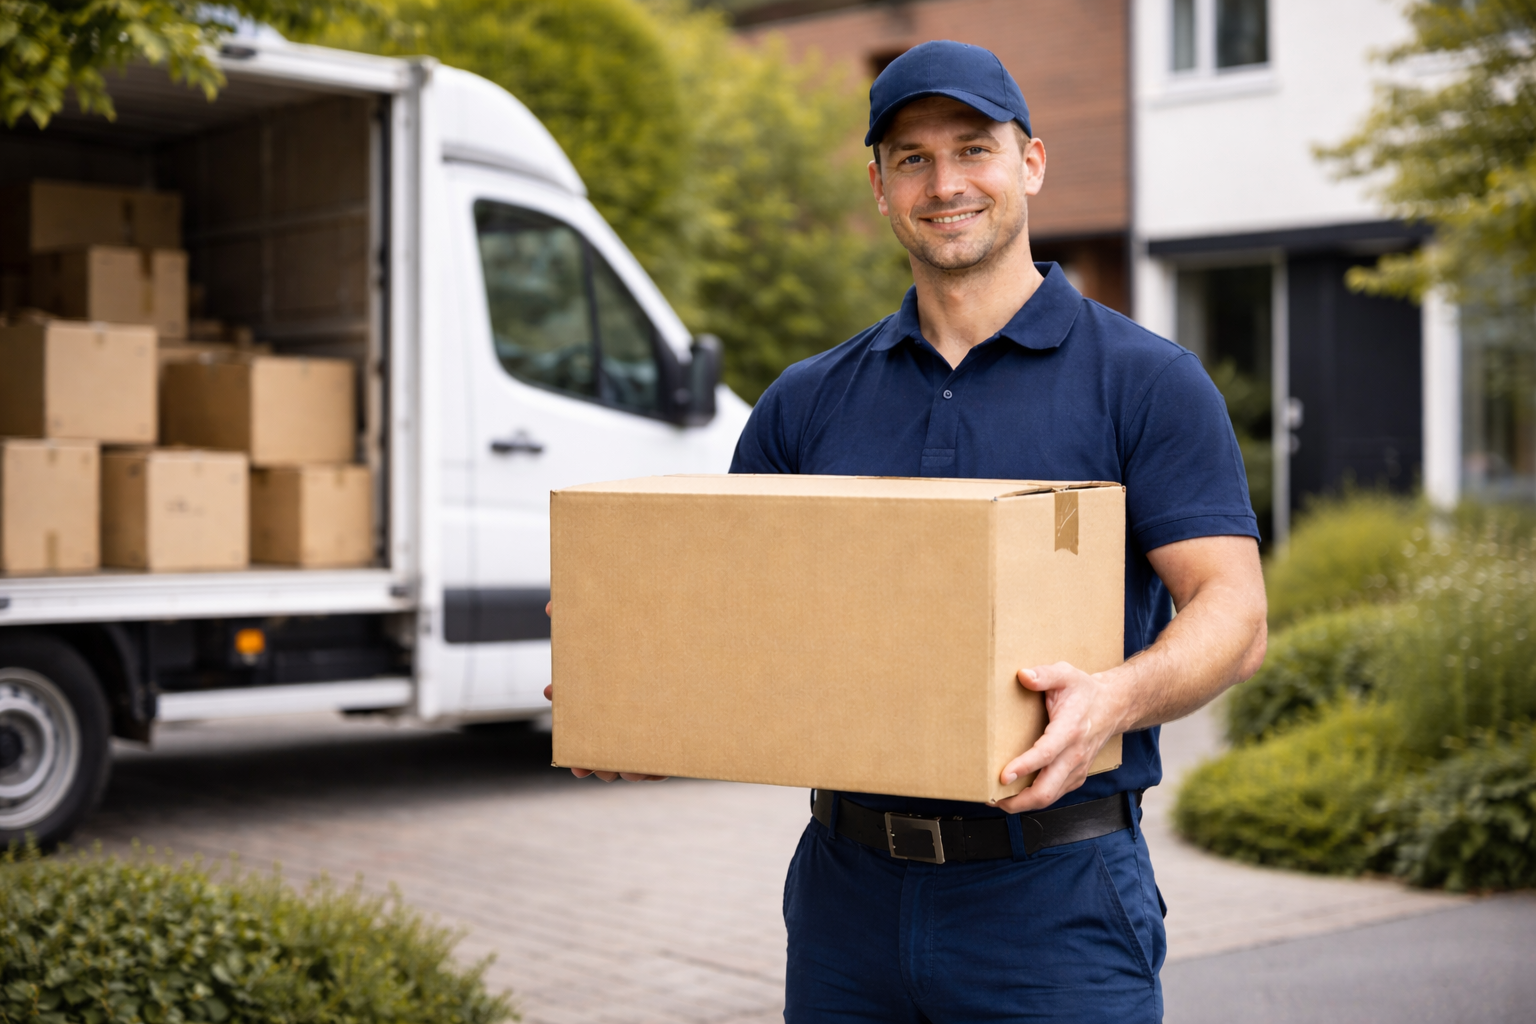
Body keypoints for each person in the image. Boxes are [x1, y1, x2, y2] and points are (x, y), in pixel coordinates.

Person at [548, 39, 1266, 1023]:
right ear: (880, 187)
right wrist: (631, 684)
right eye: (913, 159)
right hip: (849, 899)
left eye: (973, 147)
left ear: (1031, 163)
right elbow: (734, 621)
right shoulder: (808, 402)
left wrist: (1113, 699)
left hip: (1052, 896)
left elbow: (1232, 610)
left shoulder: (1145, 380)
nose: (946, 182)